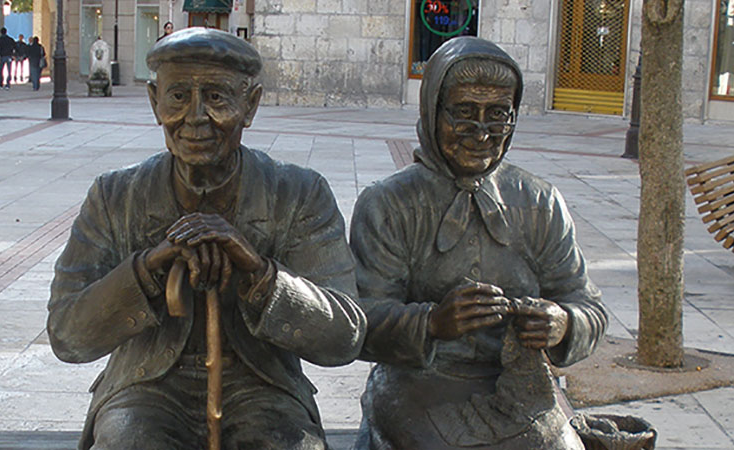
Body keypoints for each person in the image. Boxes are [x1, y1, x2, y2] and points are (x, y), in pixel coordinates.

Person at [47, 28, 366, 450]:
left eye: (216, 98)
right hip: (145, 388)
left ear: (250, 105)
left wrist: (260, 275)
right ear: (154, 102)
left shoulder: (299, 193)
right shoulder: (115, 196)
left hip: (263, 386)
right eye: (178, 96)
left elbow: (344, 335)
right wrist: (147, 270)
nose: (195, 117)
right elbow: (66, 334)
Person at [351, 36, 608, 449]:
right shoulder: (387, 204)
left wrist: (563, 323)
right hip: (416, 384)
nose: (482, 133)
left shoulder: (540, 201)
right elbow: (359, 321)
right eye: (465, 114)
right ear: (433, 111)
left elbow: (589, 306)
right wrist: (432, 323)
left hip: (517, 388)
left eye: (498, 115)